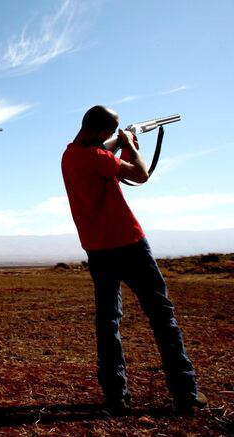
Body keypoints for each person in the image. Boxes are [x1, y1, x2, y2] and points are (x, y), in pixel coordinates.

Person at [61, 105, 207, 414]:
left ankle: (116, 394)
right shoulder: (97, 156)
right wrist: (128, 144)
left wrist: (122, 141)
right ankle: (186, 391)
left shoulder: (71, 154)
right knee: (162, 316)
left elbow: (103, 155)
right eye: (110, 132)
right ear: (101, 132)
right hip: (128, 242)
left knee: (108, 320)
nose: (113, 137)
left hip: (97, 249)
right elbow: (141, 174)